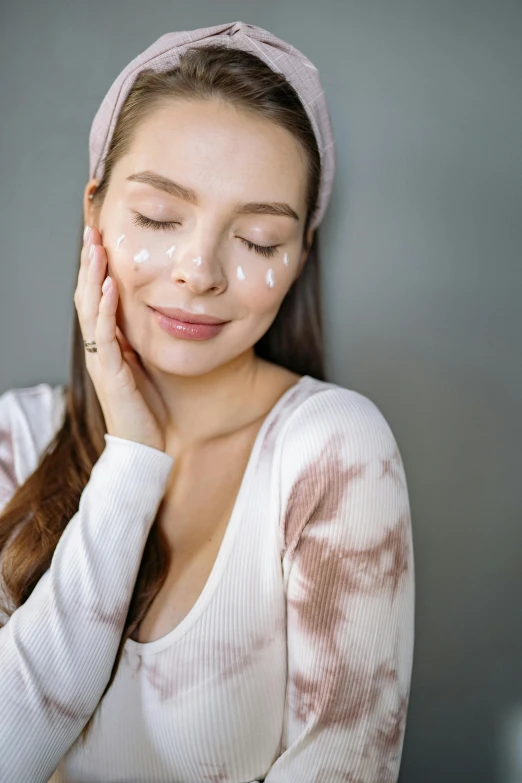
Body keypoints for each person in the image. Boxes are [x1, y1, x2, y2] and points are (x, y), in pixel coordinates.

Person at [0, 20, 415, 783]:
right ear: (94, 213)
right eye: (159, 217)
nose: (200, 270)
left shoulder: (332, 452)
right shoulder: (13, 441)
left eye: (257, 239)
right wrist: (131, 459)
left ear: (298, 258)